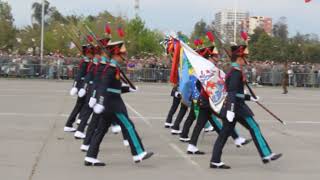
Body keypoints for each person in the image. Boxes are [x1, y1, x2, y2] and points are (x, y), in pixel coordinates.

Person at [210, 45, 282, 169]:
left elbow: (237, 93)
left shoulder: (234, 71)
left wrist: (250, 98)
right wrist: (231, 109)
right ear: (238, 58)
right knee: (254, 127)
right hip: (236, 108)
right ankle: (266, 154)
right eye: (244, 57)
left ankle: (215, 160)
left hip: (234, 107)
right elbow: (232, 92)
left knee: (224, 134)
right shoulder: (235, 73)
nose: (245, 60)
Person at [84, 41, 153, 166]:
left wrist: (128, 89)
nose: (124, 56)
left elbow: (113, 87)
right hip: (113, 104)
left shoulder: (112, 67)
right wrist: (99, 101)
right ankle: (139, 152)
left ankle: (90, 156)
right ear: (116, 55)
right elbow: (102, 86)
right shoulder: (110, 68)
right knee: (129, 126)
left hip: (110, 102)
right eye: (122, 54)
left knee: (100, 130)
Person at [186, 46, 250, 154]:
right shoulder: (205, 68)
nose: (217, 57)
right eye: (215, 56)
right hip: (208, 100)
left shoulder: (211, 67)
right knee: (227, 119)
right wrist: (208, 92)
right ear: (210, 57)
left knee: (200, 124)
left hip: (207, 100)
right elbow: (198, 83)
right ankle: (237, 139)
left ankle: (192, 146)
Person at [64, 45, 94, 132]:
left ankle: (75, 121)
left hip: (84, 86)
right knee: (82, 105)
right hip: (83, 86)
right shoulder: (85, 62)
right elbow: (80, 75)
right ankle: (72, 123)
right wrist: (76, 86)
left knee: (81, 105)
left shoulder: (88, 61)